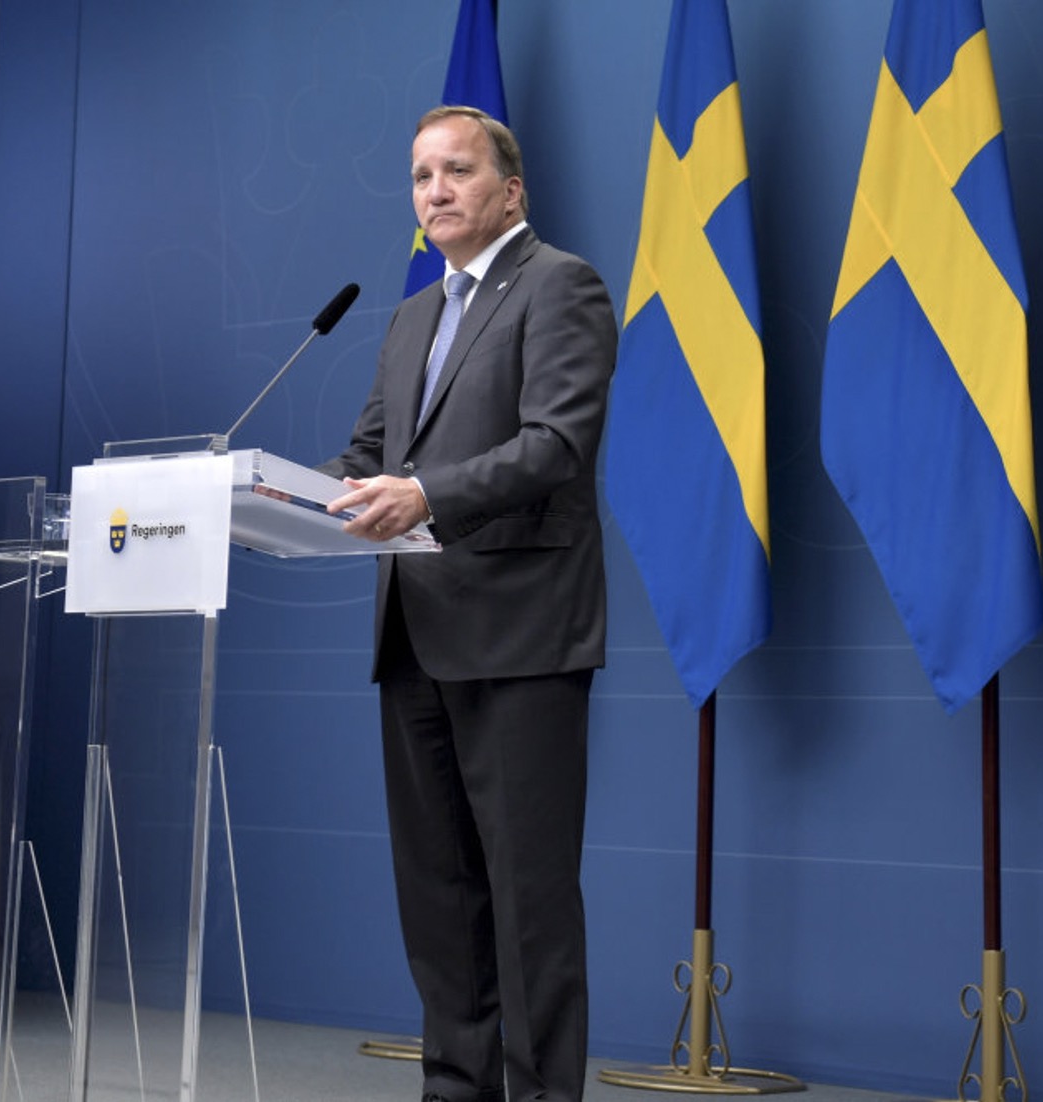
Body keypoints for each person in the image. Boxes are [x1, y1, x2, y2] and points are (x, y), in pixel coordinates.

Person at [321, 105, 617, 1102]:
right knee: (439, 900)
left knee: (527, 902)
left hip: (520, 634)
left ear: (510, 189)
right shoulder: (414, 315)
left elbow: (555, 444)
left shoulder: (560, 285)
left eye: (456, 170)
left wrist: (426, 495)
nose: (435, 190)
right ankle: (455, 1089)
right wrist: (271, 494)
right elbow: (368, 457)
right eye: (420, 176)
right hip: (414, 632)